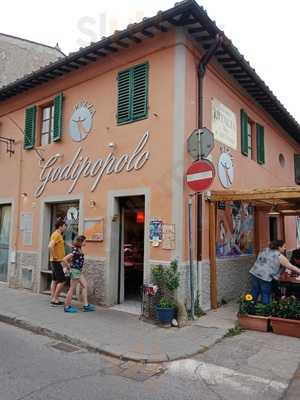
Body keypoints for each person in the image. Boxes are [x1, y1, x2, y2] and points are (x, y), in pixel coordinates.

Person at [249, 240, 300, 304]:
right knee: (265, 293)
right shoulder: (279, 256)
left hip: (255, 273)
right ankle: (265, 310)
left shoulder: (265, 250)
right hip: (265, 277)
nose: (285, 248)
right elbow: (291, 267)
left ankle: (249, 307)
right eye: (284, 247)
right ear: (279, 247)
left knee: (255, 291)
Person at [62, 235, 95, 313]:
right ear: (80, 242)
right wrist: (69, 267)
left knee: (84, 285)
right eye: (84, 241)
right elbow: (64, 259)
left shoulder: (79, 249)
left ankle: (86, 305)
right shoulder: (75, 251)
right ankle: (67, 307)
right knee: (72, 289)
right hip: (75, 271)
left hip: (78, 271)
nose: (85, 242)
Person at [48, 218, 67, 305]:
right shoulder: (57, 235)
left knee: (54, 280)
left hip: (54, 261)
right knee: (62, 280)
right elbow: (50, 246)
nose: (65, 227)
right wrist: (54, 256)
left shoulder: (57, 235)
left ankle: (53, 297)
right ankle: (55, 298)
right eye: (64, 226)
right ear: (60, 226)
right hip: (57, 261)